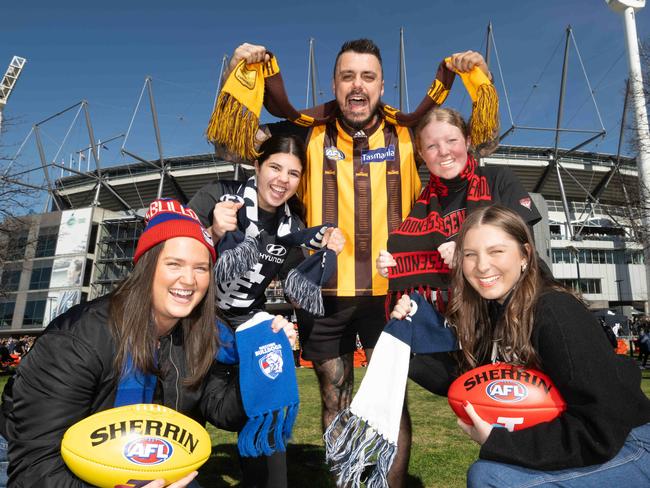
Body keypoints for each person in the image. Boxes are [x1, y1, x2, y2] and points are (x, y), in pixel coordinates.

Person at [219, 39, 490, 486]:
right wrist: (238, 74)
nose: (357, 86)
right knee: (333, 396)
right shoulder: (308, 131)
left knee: (391, 402)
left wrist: (481, 78)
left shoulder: (410, 130)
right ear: (335, 84)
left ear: (383, 85)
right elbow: (234, 143)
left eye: (368, 76)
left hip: (394, 296)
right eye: (347, 76)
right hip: (323, 295)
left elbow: (471, 143)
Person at [0, 198, 296, 488]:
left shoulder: (201, 333)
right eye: (174, 264)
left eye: (201, 268)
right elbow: (33, 471)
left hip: (152, 469)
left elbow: (220, 408)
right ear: (147, 266)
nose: (189, 280)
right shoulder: (76, 341)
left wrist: (265, 363)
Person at [391, 205, 650, 487]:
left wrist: (500, 441)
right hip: (593, 436)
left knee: (492, 477)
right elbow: (464, 380)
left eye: (496, 251)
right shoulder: (493, 312)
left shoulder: (555, 312)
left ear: (525, 254)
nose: (482, 266)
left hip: (629, 440)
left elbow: (601, 424)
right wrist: (410, 333)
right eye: (470, 254)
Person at [189, 133, 344, 488]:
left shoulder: (294, 225)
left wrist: (324, 255)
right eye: (274, 167)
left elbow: (294, 281)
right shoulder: (219, 195)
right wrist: (212, 232)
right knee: (187, 403)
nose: (282, 180)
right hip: (197, 317)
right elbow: (173, 254)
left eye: (293, 173)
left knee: (269, 399)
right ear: (256, 166)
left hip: (246, 320)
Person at [377, 106, 541, 308]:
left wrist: (467, 253)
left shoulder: (498, 179)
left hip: (512, 307)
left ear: (468, 141)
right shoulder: (422, 204)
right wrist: (394, 264)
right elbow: (415, 257)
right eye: (431, 146)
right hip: (454, 319)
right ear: (421, 153)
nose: (443, 151)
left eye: (451, 141)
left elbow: (527, 248)